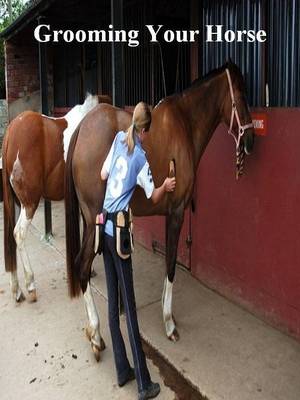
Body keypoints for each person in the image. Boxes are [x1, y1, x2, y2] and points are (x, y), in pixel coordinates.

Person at [100, 102, 176, 400]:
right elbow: (153, 196)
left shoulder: (119, 138)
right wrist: (166, 185)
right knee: (130, 310)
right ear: (144, 130)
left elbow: (104, 175)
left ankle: (122, 370)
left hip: (103, 230)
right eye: (148, 131)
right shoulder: (142, 159)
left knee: (112, 303)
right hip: (119, 235)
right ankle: (144, 384)